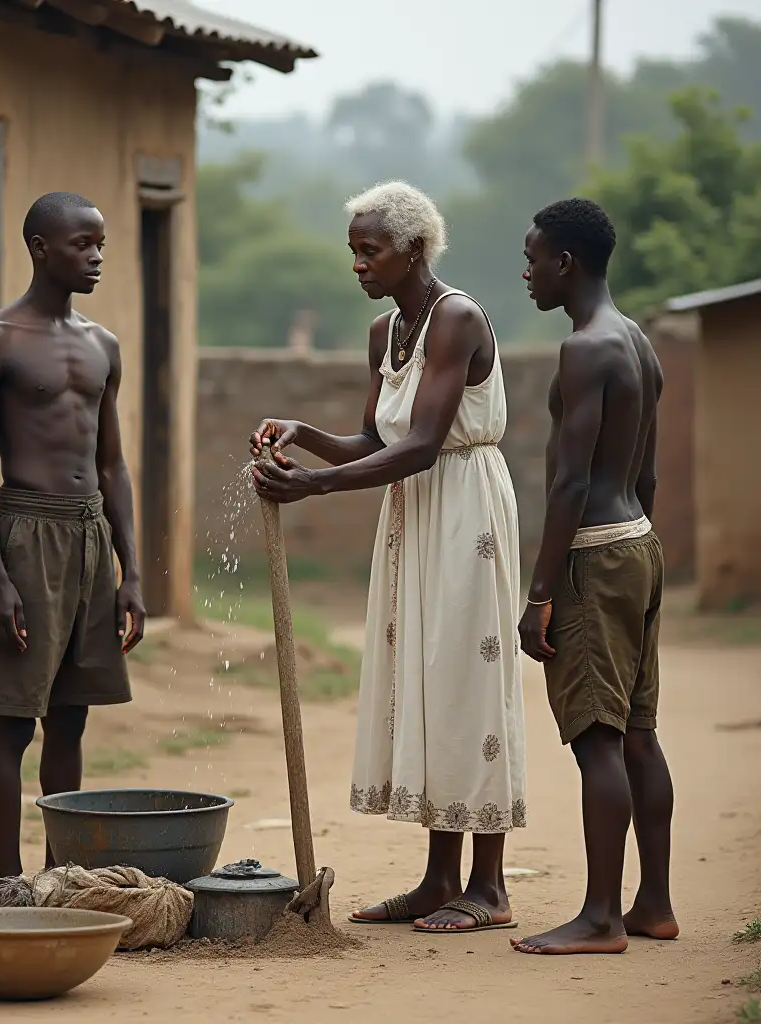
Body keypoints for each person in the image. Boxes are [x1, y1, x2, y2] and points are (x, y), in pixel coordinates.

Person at [250, 181, 526, 934]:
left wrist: (315, 488)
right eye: (354, 252)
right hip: (412, 513)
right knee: (426, 682)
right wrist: (303, 433)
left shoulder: (458, 318)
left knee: (469, 679)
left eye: (369, 251)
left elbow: (427, 444)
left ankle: (490, 885)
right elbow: (377, 441)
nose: (359, 264)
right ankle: (440, 879)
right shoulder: (385, 331)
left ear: (413, 249)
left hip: (465, 509)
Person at [0, 191, 144, 881]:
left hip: (90, 533)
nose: (96, 256)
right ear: (40, 247)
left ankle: (53, 874)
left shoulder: (104, 345)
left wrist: (133, 573)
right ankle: (10, 880)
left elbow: (112, 463)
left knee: (70, 719)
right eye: (81, 244)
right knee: (15, 719)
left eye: (100, 243)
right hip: (26, 531)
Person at [512, 198, 675, 956]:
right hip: (639, 545)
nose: (528, 271)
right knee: (639, 734)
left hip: (596, 556)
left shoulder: (585, 349)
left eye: (534, 257)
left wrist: (541, 594)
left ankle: (602, 918)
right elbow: (644, 475)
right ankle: (653, 906)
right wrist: (633, 550)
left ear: (565, 263)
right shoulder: (637, 342)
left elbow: (570, 485)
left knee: (598, 742)